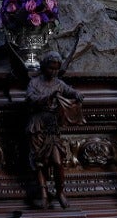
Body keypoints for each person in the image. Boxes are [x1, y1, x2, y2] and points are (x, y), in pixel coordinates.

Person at [24, 50, 82, 208]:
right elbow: (30, 99)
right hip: (37, 125)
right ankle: (43, 193)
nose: (54, 72)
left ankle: (60, 191)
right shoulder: (34, 83)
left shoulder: (59, 83)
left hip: (52, 126)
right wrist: (48, 97)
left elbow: (70, 91)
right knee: (38, 162)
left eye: (57, 69)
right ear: (44, 66)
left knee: (57, 161)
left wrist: (77, 94)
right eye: (51, 68)